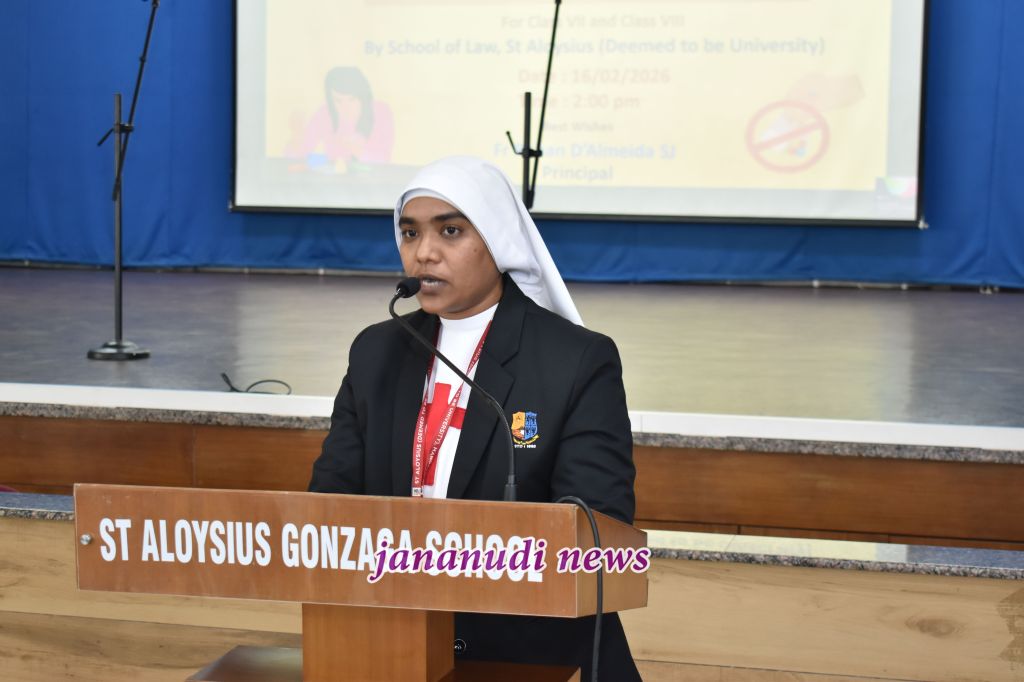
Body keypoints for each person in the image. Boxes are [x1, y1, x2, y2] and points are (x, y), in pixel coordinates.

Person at [309, 156, 641, 680]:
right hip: (388, 643)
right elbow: (329, 503)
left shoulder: (576, 360)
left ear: (497, 239)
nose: (424, 252)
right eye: (410, 233)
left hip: (531, 653)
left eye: (450, 231)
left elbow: (598, 526)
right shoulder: (376, 352)